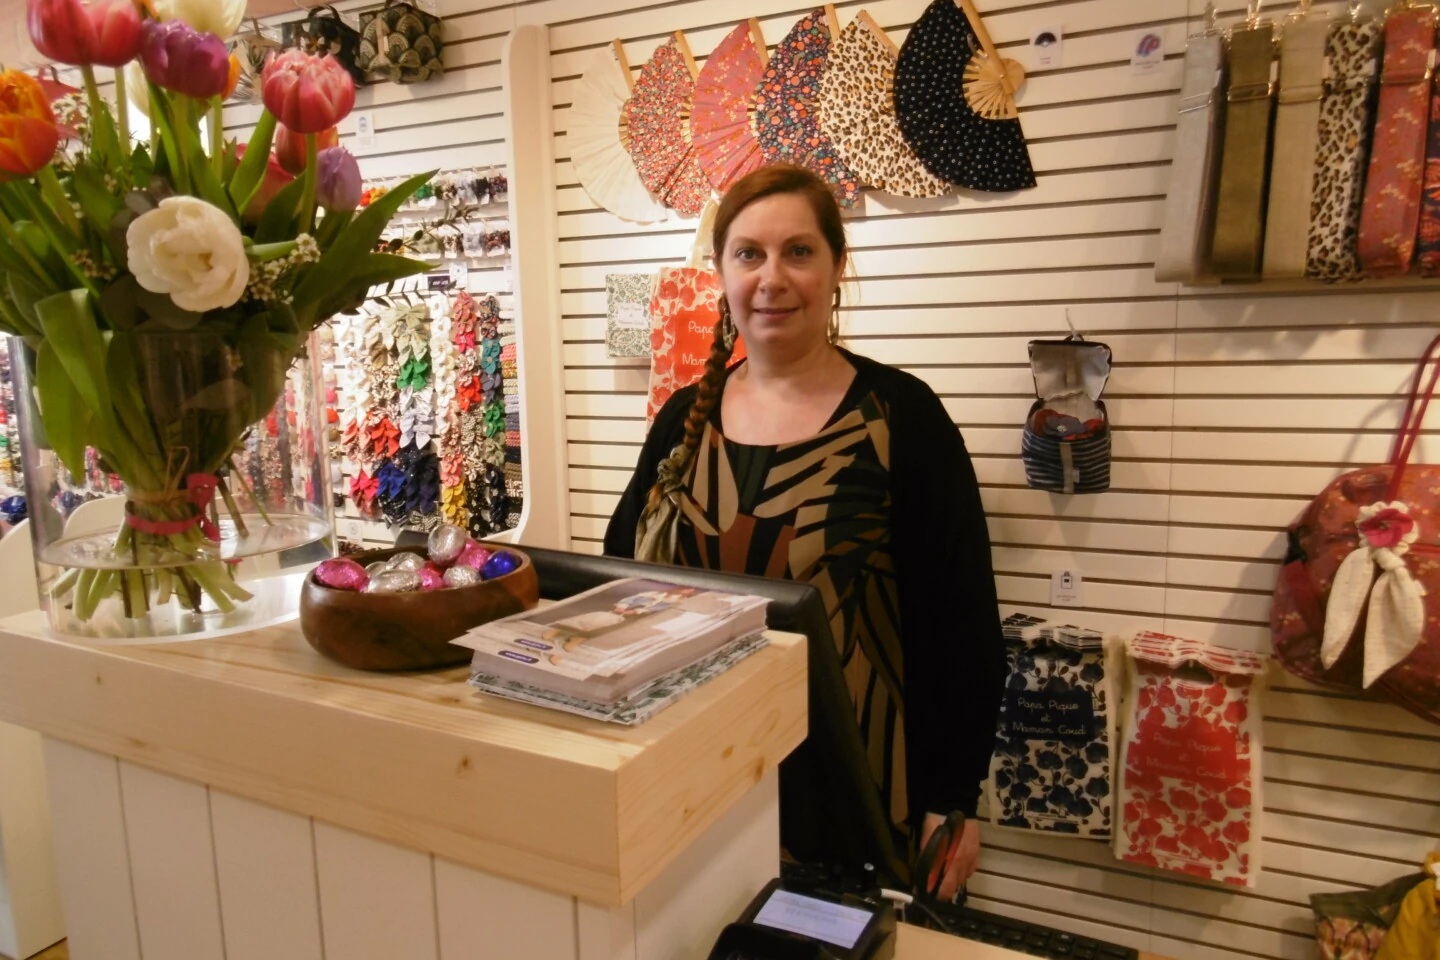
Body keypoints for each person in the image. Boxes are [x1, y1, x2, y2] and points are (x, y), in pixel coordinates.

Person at [604, 165, 1005, 902]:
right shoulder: (679, 424)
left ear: (836, 265)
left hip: (859, 797)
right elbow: (618, 577)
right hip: (688, 783)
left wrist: (953, 801)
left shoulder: (901, 419)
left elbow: (964, 624)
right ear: (721, 272)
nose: (772, 278)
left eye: (798, 251)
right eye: (749, 254)